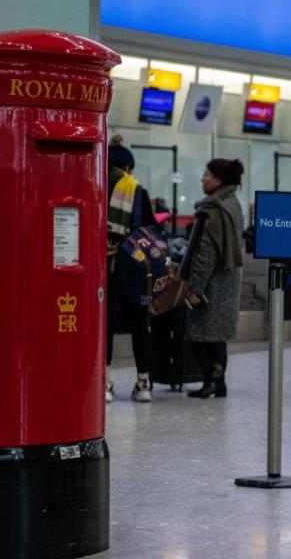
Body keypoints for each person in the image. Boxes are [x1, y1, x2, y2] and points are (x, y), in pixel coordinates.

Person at [180, 159, 245, 399]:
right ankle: (219, 383)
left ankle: (211, 380)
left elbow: (206, 253)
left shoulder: (214, 210)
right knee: (217, 338)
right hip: (227, 282)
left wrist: (196, 287)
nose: (202, 180)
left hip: (213, 285)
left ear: (218, 180)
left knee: (199, 336)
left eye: (206, 175)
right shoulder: (233, 204)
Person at [106, 136, 156, 402]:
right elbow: (149, 231)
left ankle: (104, 384)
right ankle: (144, 384)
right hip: (135, 268)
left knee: (107, 324)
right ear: (128, 167)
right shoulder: (136, 190)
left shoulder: (96, 185)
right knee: (140, 323)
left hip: (104, 267)